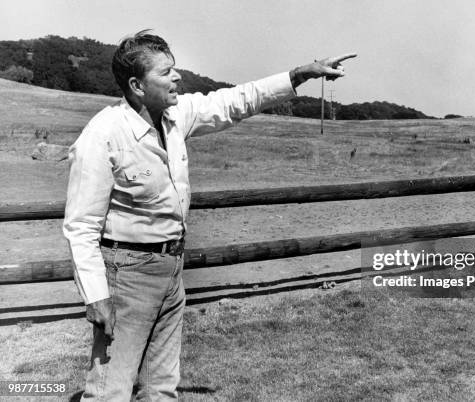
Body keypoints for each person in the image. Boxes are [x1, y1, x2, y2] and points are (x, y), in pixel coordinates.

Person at [63, 29, 356, 401]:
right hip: (126, 274)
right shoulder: (103, 135)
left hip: (171, 268)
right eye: (166, 72)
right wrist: (96, 296)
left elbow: (237, 100)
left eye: (175, 69)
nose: (177, 77)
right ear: (137, 85)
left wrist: (302, 74)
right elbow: (81, 226)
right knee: (110, 391)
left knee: (161, 388)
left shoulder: (175, 115)